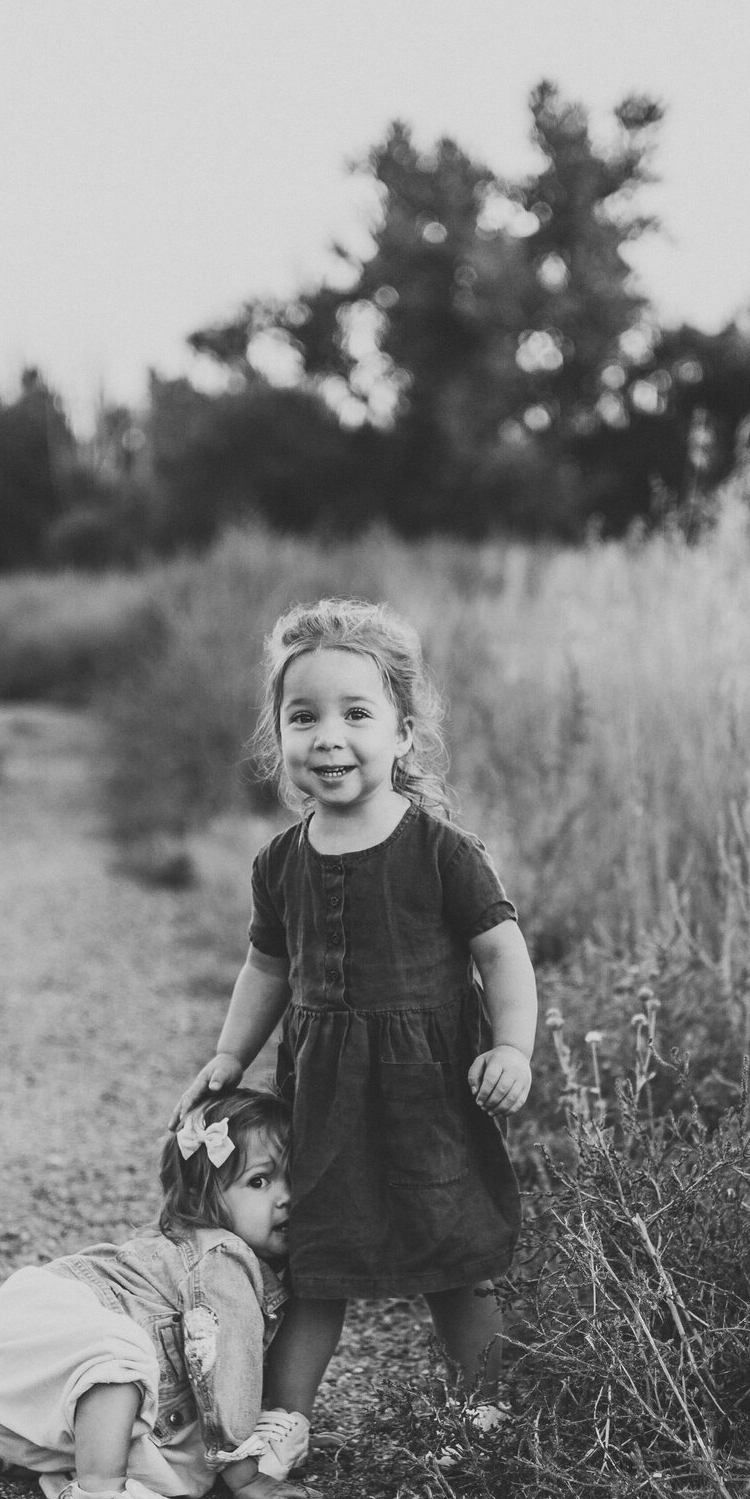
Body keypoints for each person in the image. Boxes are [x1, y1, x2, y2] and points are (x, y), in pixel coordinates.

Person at [176, 597, 537, 1436]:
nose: (328, 737)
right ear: (280, 738)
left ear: (403, 733)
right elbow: (268, 964)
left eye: (357, 714)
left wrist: (513, 1047)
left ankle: (495, 1418)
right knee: (318, 1261)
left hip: (431, 1091)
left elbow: (501, 953)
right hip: (326, 1093)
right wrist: (233, 1055)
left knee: (453, 1257)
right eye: (304, 717)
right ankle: (277, 1429)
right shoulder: (281, 861)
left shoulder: (443, 851)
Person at [0, 1089, 320, 1499]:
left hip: (16, 1341)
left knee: (134, 1408)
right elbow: (224, 1368)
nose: (286, 1197)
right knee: (118, 1364)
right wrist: (246, 1474)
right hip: (60, 1319)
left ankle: (22, 1447)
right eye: (259, 1182)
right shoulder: (223, 1256)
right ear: (203, 1198)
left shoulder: (188, 1251)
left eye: (294, 1179)